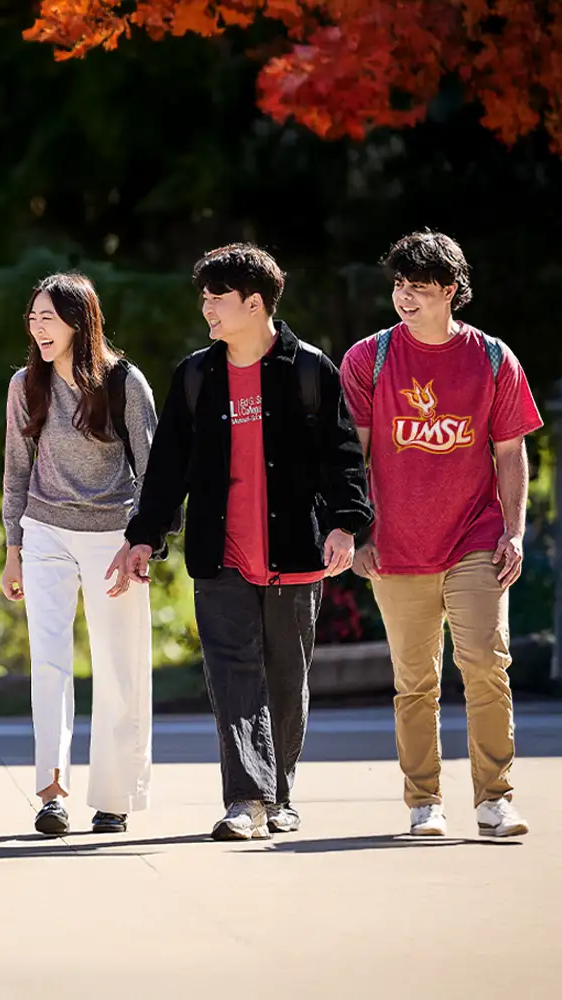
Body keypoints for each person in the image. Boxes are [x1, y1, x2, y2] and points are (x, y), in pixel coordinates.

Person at [107, 244, 372, 840]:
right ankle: (246, 800)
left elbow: (343, 457)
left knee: (285, 679)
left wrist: (345, 523)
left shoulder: (309, 371)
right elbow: (168, 465)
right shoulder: (197, 375)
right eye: (203, 297)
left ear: (254, 303)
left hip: (294, 553)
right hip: (219, 552)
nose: (206, 308)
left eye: (217, 297)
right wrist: (145, 535)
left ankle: (280, 794)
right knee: (232, 677)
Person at [341, 231, 542, 839]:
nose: (404, 298)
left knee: (484, 661)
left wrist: (514, 531)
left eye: (419, 288)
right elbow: (352, 458)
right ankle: (424, 800)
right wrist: (357, 533)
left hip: (475, 536)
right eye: (399, 285)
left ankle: (494, 798)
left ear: (451, 292)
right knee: (415, 679)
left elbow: (510, 453)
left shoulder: (492, 359)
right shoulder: (368, 359)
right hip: (396, 545)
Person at [1, 273, 157, 837]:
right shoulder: (26, 383)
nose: (39, 327)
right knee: (48, 662)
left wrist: (142, 541)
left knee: (119, 666)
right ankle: (51, 793)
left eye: (50, 317)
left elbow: (153, 468)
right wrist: (13, 548)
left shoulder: (123, 382)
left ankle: (114, 799)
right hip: (44, 533)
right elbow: (16, 471)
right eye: (34, 317)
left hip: (113, 539)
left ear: (79, 322)